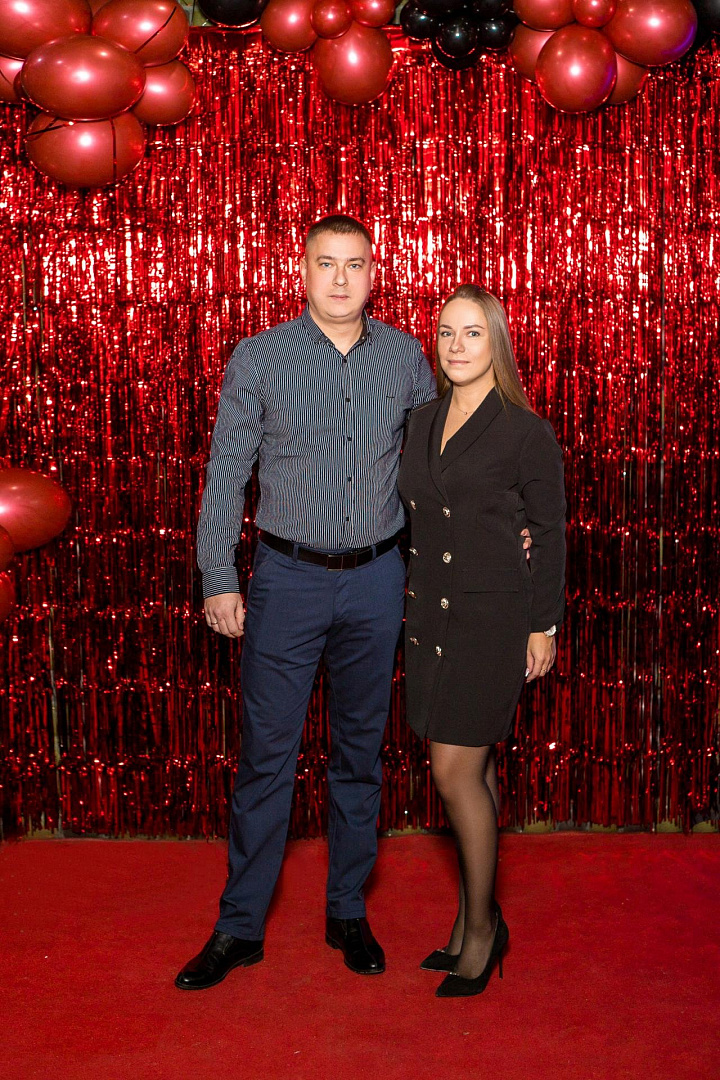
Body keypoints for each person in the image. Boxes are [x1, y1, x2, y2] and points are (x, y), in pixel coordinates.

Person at [175, 215, 437, 990]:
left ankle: (347, 910)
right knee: (267, 756)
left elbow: (435, 466)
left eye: (355, 264)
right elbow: (227, 471)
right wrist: (218, 574)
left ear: (374, 274)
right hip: (287, 578)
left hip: (377, 578)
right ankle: (239, 926)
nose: (341, 279)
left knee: (359, 753)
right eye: (327, 263)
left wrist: (502, 526)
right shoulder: (260, 357)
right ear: (302, 271)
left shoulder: (405, 357)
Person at [397, 284, 566, 998]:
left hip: (493, 622)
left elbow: (549, 533)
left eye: (472, 332)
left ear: (496, 341)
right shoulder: (421, 420)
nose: (457, 345)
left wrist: (542, 625)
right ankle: (472, 918)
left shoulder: (525, 431)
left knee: (453, 773)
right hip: (429, 620)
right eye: (445, 332)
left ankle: (481, 933)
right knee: (478, 770)